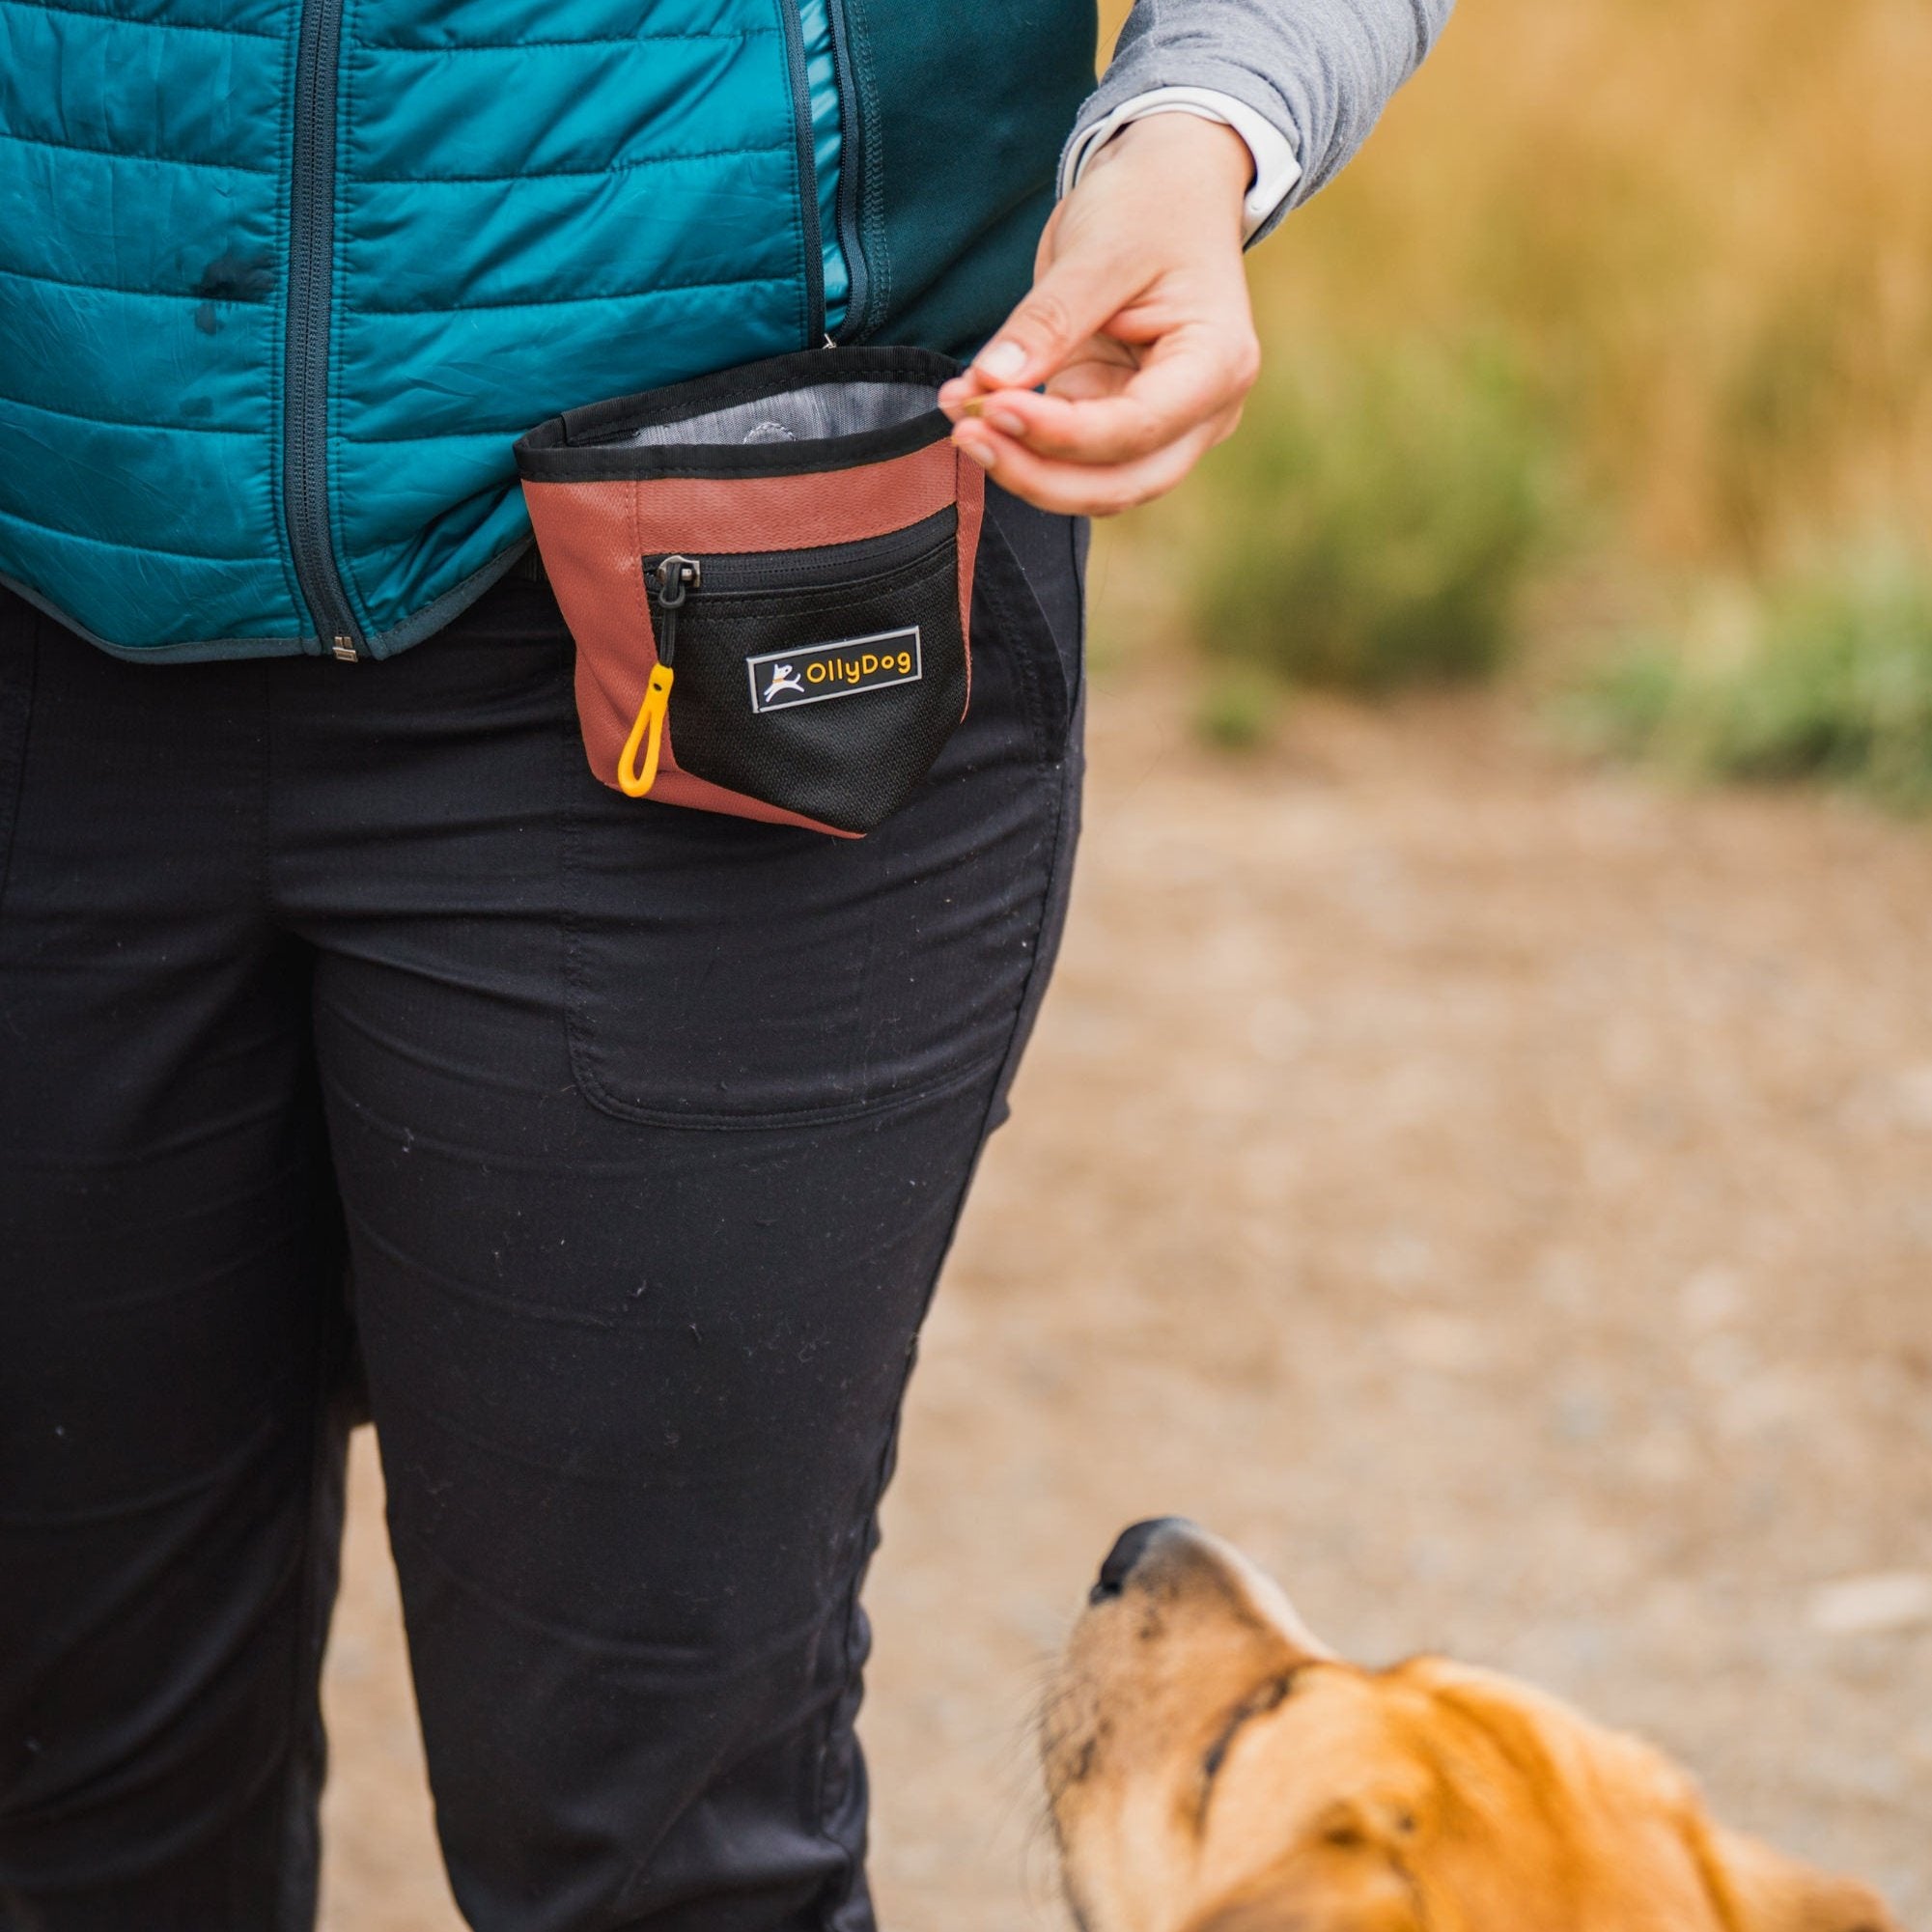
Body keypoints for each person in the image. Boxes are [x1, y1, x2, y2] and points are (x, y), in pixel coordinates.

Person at [0, 1, 1448, 1925]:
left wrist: (1200, 121)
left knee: (655, 1855)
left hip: (737, 563)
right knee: (55, 1800)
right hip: (42, 554)